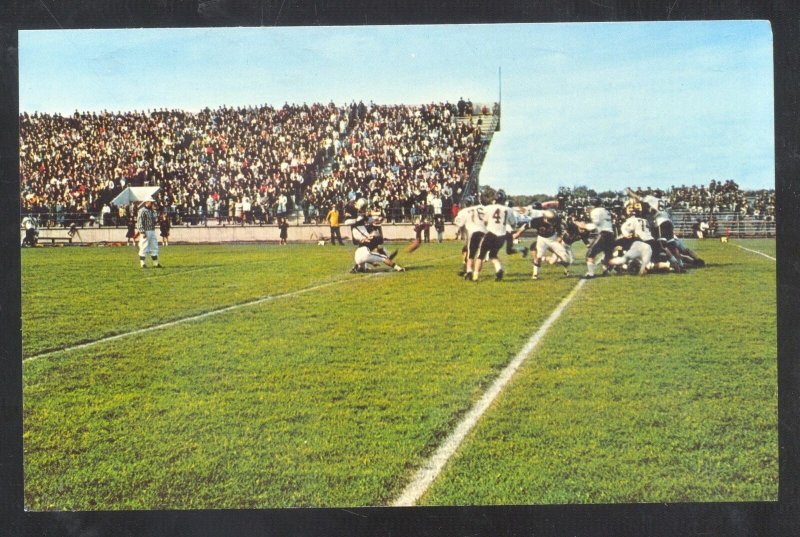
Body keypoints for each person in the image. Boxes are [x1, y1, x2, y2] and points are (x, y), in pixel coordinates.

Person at [473, 190, 517, 282]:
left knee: (481, 255)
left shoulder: (488, 208)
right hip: (501, 235)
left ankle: (475, 276)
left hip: (491, 233)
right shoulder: (508, 209)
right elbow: (513, 223)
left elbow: (484, 220)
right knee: (493, 254)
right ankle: (498, 269)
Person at [579, 198, 615, 279]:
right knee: (608, 254)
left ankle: (590, 274)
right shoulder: (606, 210)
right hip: (611, 234)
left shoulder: (595, 211)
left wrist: (583, 226)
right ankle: (607, 269)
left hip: (603, 234)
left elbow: (595, 224)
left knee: (590, 254)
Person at [453, 202, 488, 281]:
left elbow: (458, 224)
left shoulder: (464, 211)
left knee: (471, 255)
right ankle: (475, 274)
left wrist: (457, 232)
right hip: (484, 233)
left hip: (473, 233)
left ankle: (469, 272)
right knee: (481, 256)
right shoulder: (483, 209)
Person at [136, 197, 162, 268]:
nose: (152, 203)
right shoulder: (142, 211)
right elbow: (139, 222)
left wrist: (158, 217)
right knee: (143, 246)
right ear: (146, 202)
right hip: (146, 230)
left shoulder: (152, 211)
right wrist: (142, 232)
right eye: (151, 202)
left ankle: (155, 263)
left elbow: (155, 219)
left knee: (154, 246)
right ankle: (142, 263)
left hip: (152, 230)